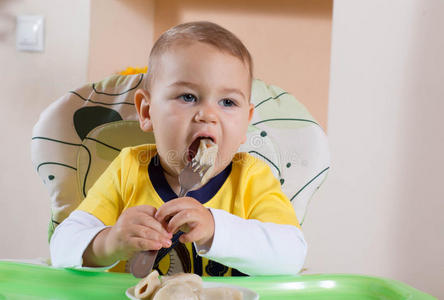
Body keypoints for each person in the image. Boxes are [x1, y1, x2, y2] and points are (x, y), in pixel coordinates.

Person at [50, 21, 307, 276]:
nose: (208, 115)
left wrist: (216, 230)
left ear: (246, 123)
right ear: (147, 111)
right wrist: (109, 242)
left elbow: (292, 256)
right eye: (188, 97)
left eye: (227, 102)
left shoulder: (252, 178)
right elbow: (62, 246)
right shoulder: (128, 169)